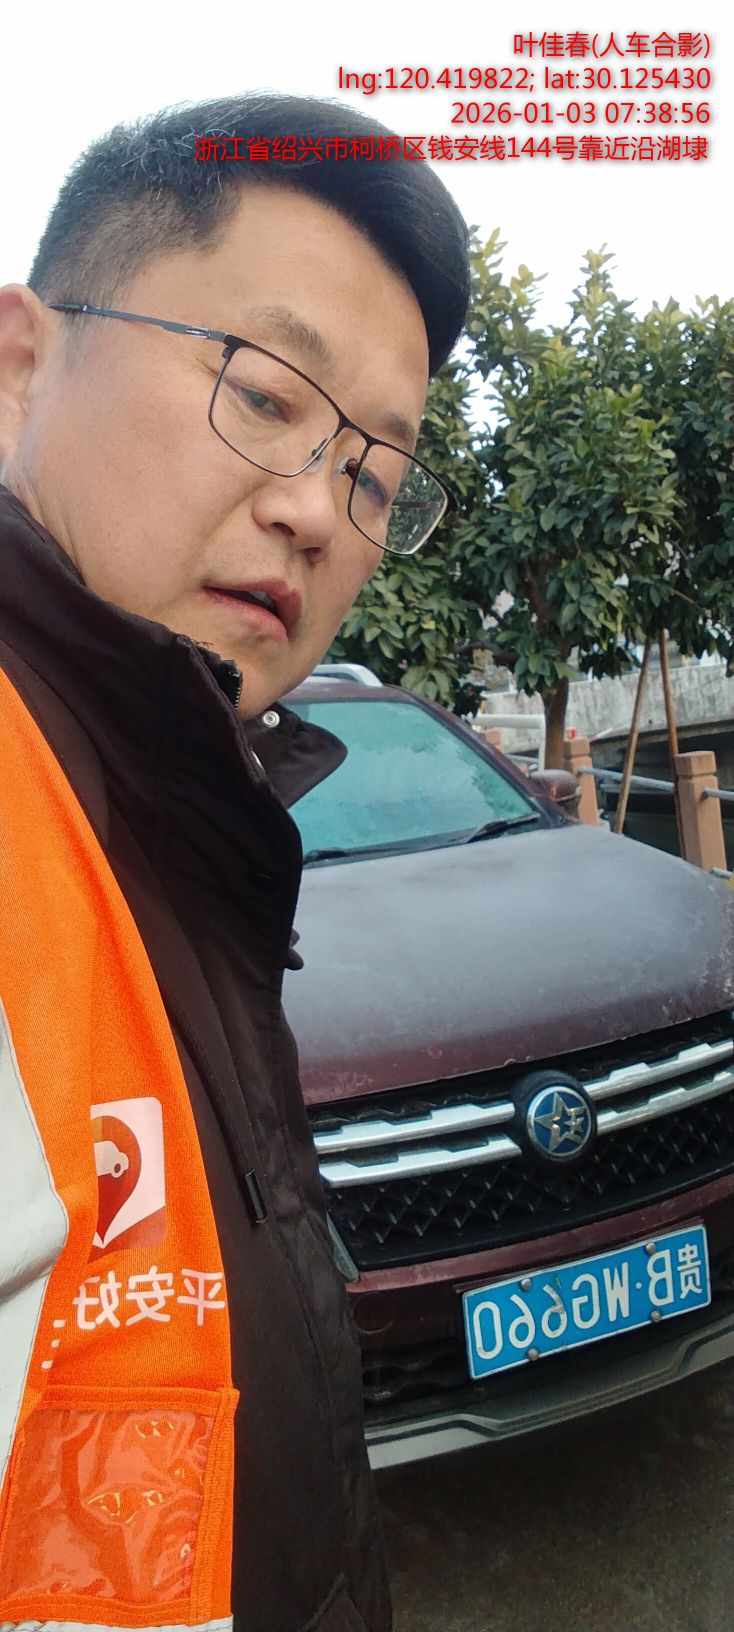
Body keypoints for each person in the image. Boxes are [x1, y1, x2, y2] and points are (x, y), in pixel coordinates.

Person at [0, 93, 469, 1631]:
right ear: (18, 369)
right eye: (265, 395)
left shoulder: (175, 819)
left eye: (377, 477)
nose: (318, 511)